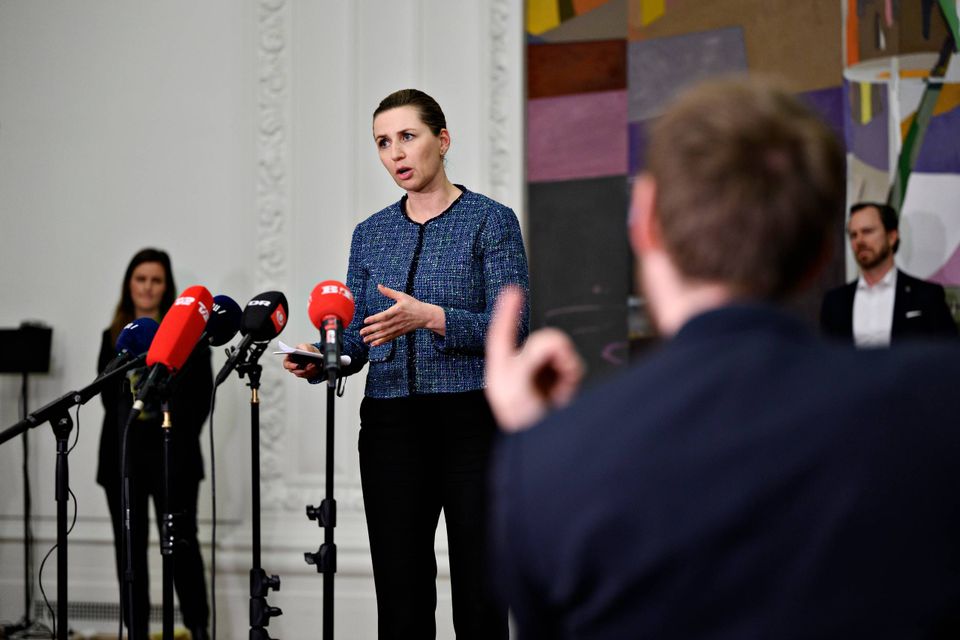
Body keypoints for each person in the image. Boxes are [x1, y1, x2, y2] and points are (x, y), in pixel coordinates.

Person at [485, 78, 960, 638]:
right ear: (821, 250)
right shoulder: (942, 406)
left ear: (645, 220)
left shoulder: (547, 464)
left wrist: (540, 436)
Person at [284, 89, 528, 638]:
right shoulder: (369, 234)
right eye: (382, 142)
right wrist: (325, 357)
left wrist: (432, 317)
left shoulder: (490, 222)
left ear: (442, 140)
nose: (395, 152)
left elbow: (512, 330)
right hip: (391, 426)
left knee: (480, 593)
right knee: (400, 596)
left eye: (407, 136)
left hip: (472, 421)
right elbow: (359, 336)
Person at [97, 248, 212, 640]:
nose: (147, 287)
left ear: (167, 287)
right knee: (129, 553)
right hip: (124, 457)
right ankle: (137, 632)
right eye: (140, 279)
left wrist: (172, 436)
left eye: (156, 280)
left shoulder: (189, 336)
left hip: (172, 456)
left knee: (182, 547)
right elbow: (106, 398)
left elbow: (200, 401)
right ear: (129, 284)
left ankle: (198, 628)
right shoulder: (112, 336)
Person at [820, 201, 957, 346]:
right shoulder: (835, 302)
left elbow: (949, 352)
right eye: (853, 235)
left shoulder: (926, 296)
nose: (859, 241)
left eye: (867, 231)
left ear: (892, 237)